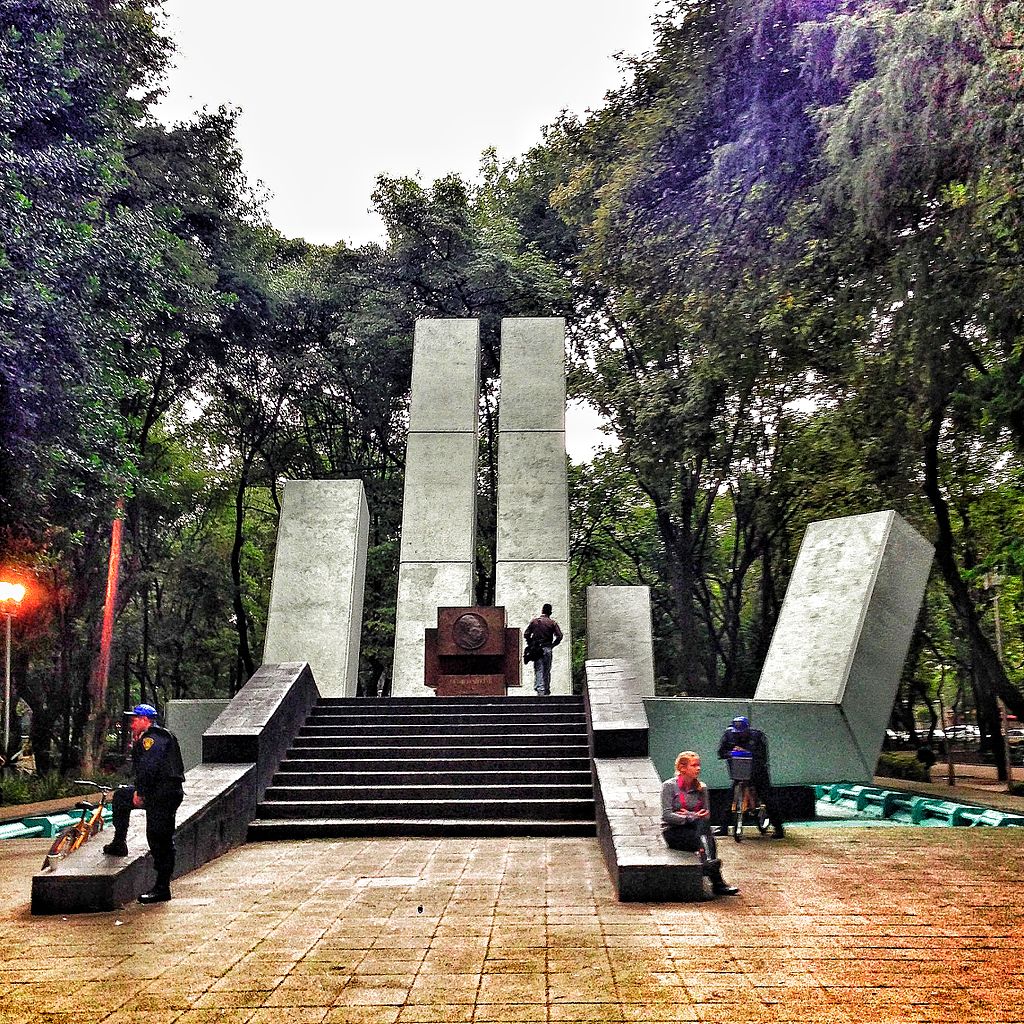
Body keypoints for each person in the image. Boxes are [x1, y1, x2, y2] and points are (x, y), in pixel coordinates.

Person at [102, 703, 185, 904]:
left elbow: (149, 767)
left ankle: (162, 887)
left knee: (159, 837)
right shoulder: (152, 738)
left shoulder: (151, 739)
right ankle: (119, 842)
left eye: (135, 719)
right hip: (159, 792)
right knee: (122, 797)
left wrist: (141, 792)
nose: (132, 724)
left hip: (163, 794)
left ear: (146, 720)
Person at [661, 751, 739, 896]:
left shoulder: (701, 788)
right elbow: (667, 816)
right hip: (675, 831)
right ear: (682, 768)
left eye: (699, 765)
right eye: (694, 765)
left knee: (704, 831)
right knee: (704, 833)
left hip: (697, 828)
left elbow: (706, 814)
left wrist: (690, 815)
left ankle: (709, 864)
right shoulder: (669, 786)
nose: (698, 768)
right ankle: (717, 881)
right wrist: (691, 817)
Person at [717, 715, 784, 838]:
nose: (739, 735)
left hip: (757, 772)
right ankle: (724, 827)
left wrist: (747, 752)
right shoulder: (728, 735)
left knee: (768, 798)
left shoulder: (757, 736)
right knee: (729, 799)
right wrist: (731, 753)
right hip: (739, 772)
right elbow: (721, 752)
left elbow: (763, 756)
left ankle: (779, 828)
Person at [523, 603, 562, 696]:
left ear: (542, 611)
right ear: (550, 612)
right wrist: (553, 645)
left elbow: (526, 634)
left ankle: (540, 689)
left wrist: (531, 643)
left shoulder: (534, 622)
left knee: (539, 669)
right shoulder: (552, 623)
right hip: (548, 648)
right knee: (547, 670)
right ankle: (546, 689)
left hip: (537, 649)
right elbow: (560, 636)